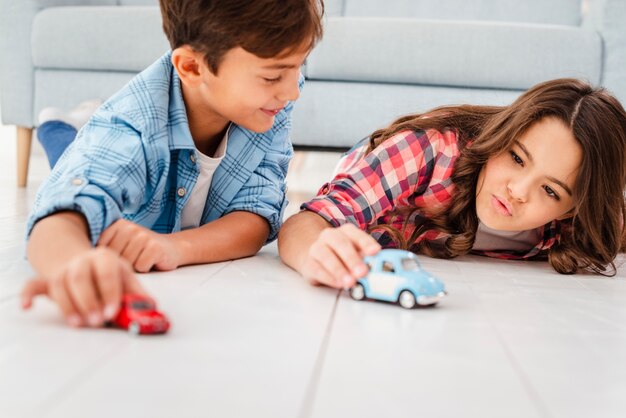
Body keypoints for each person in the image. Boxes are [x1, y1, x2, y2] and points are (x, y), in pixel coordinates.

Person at [21, 0, 325, 328]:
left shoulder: (268, 104)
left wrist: (174, 247)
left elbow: (257, 216)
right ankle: (59, 127)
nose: (293, 92)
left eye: (299, 66)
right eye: (273, 76)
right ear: (193, 68)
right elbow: (59, 214)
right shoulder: (132, 126)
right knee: (67, 158)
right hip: (116, 145)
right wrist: (73, 264)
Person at [278, 78, 626, 289]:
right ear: (503, 135)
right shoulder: (427, 150)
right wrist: (315, 252)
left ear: (573, 209)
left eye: (550, 190)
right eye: (517, 158)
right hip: (373, 170)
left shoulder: (584, 223)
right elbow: (307, 223)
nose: (517, 191)